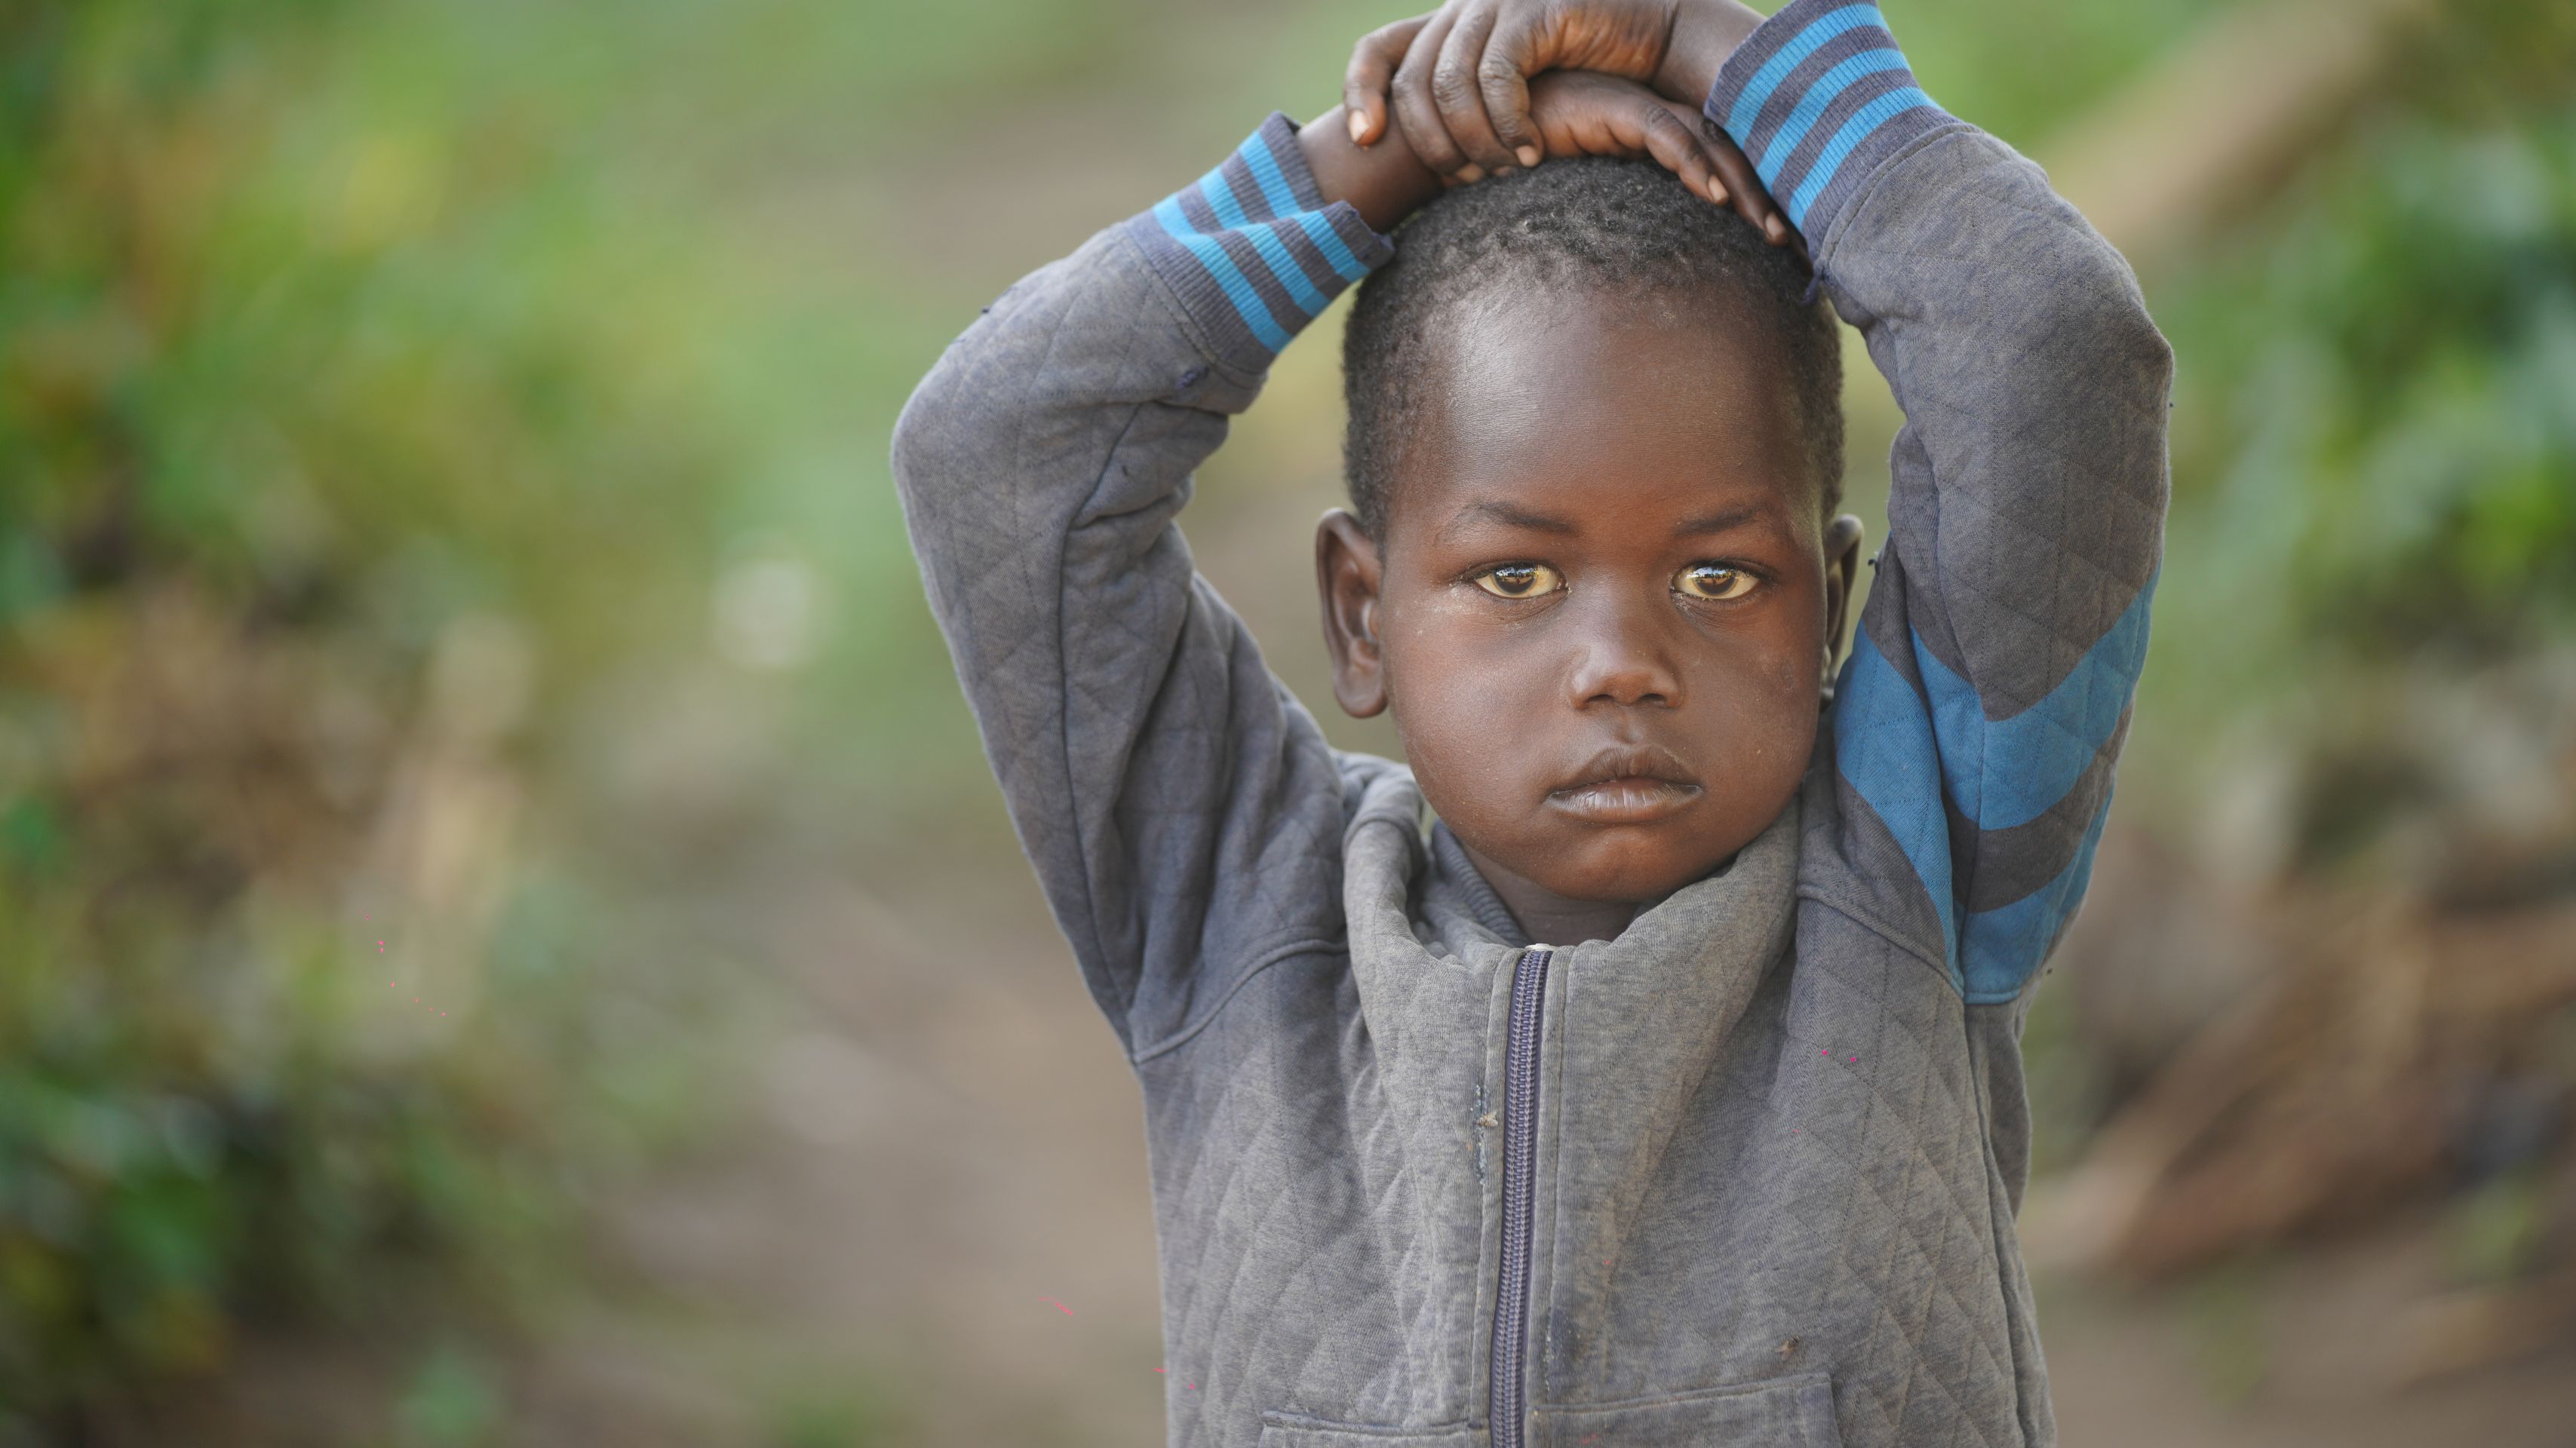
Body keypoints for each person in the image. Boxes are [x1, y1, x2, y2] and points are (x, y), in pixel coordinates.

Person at [891, 0, 2171, 1443]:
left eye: (1718, 577)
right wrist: (1380, 159)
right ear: (1363, 614)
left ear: (1827, 612)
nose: (1621, 666)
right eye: (1516, 577)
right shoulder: (1238, 908)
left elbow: (2054, 347)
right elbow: (998, 450)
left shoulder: (1917, 870)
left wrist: (1704, 44)